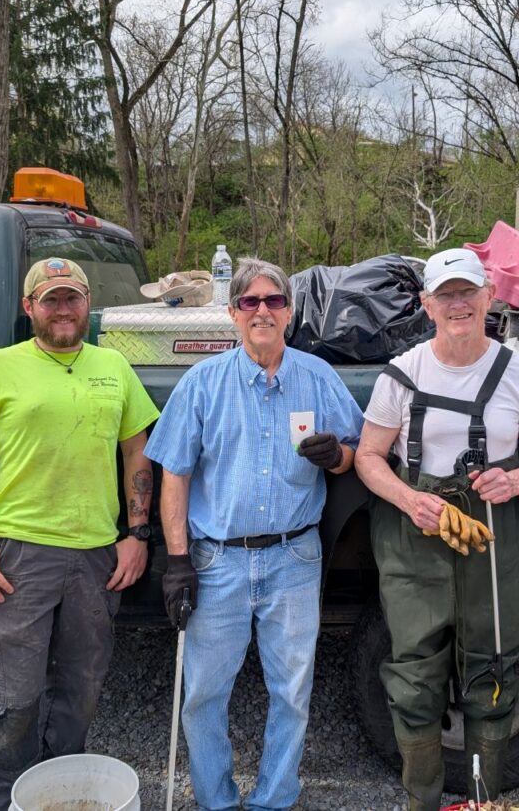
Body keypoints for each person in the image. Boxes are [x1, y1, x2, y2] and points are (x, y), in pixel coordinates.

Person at [0, 257, 160, 811]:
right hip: (20, 554)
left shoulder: (114, 366)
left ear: (88, 304)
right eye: (50, 299)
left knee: (81, 687)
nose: (63, 309)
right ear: (29, 306)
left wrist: (137, 533)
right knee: (15, 694)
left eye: (72, 297)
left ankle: (60, 792)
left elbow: (137, 451)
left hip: (96, 554)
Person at [144, 256, 363, 811]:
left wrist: (338, 456)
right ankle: (216, 799)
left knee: (292, 691)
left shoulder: (319, 378)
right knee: (203, 693)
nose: (262, 311)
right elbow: (175, 475)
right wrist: (177, 562)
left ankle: (274, 798)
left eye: (274, 300)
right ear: (233, 313)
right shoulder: (202, 384)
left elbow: (359, 452)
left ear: (288, 312)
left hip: (295, 557)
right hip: (218, 560)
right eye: (250, 302)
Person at [354, 247, 519, 810]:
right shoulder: (402, 374)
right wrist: (407, 498)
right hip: (413, 536)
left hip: (492, 533)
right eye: (445, 294)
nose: (458, 304)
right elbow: (368, 457)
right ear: (427, 305)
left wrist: (514, 481)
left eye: (468, 291)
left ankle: (481, 801)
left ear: (489, 298)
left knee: (493, 666)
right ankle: (422, 802)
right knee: (414, 676)